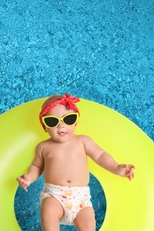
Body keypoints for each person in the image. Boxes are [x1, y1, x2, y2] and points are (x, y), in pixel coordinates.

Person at [16, 93, 135, 231]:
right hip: (54, 195)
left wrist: (116, 167)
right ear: (45, 126)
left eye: (68, 119)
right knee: (48, 212)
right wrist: (28, 178)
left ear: (76, 122)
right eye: (52, 121)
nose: (61, 126)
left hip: (81, 199)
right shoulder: (43, 147)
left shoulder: (83, 141)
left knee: (89, 222)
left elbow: (100, 156)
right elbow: (37, 166)